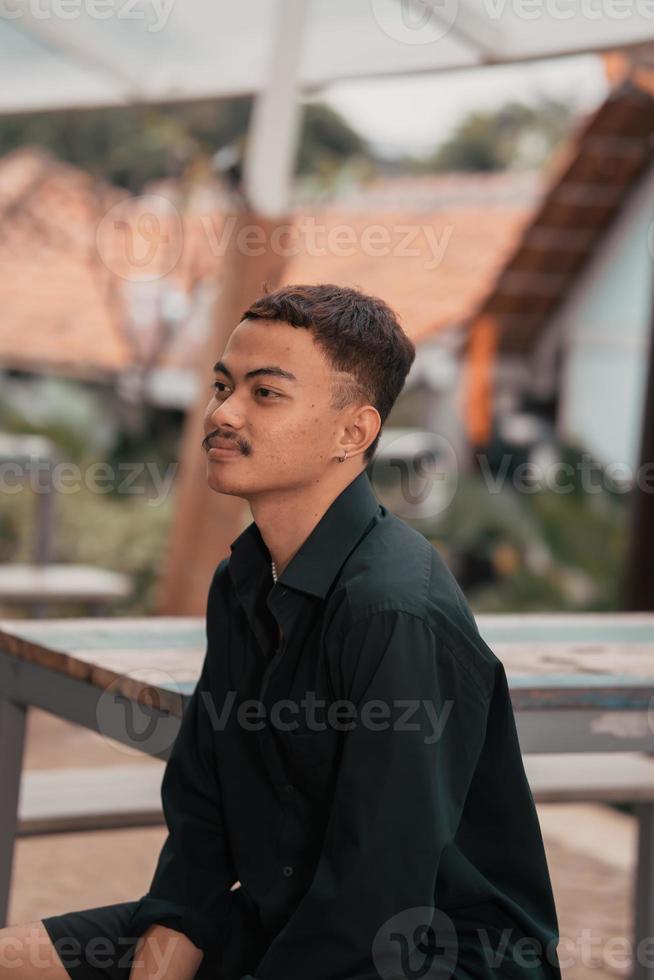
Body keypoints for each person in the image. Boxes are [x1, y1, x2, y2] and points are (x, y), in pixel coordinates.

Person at [0, 283, 562, 980]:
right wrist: (164, 947)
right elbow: (202, 825)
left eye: (266, 394)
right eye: (221, 385)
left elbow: (373, 909)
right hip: (282, 918)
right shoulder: (242, 582)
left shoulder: (393, 613)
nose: (222, 413)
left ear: (353, 432)